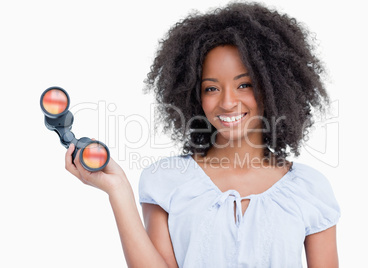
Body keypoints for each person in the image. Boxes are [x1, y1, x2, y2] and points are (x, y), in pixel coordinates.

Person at [65, 2, 340, 267]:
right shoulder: (166, 182)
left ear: (274, 87)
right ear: (194, 96)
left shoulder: (309, 189)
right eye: (211, 88)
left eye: (244, 85)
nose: (228, 102)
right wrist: (118, 190)